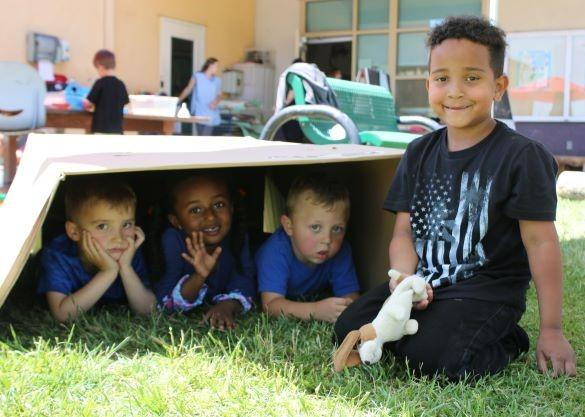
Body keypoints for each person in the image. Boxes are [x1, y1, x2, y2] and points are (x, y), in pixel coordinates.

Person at [334, 15, 576, 380]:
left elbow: (541, 242)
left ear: (499, 86)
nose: (455, 91)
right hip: (425, 286)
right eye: (442, 78)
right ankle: (430, 329)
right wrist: (403, 280)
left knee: (430, 358)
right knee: (349, 326)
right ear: (429, 83)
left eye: (472, 78)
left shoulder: (522, 157)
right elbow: (403, 232)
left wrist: (553, 329)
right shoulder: (417, 153)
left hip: (485, 293)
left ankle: (509, 339)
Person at [37, 178, 156, 322]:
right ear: (74, 232)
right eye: (102, 226)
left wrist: (126, 268)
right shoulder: (58, 255)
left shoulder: (128, 252)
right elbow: (62, 315)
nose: (119, 238)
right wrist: (108, 272)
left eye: (126, 225)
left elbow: (149, 311)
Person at [152, 172, 256, 329]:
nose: (210, 217)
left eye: (219, 205)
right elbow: (166, 305)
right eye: (195, 210)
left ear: (232, 208)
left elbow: (245, 282)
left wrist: (227, 306)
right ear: (176, 221)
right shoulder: (173, 241)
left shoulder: (237, 235)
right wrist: (199, 276)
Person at [256, 173, 360, 322]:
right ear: (289, 226)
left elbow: (350, 295)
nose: (327, 239)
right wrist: (316, 311)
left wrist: (347, 307)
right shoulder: (274, 252)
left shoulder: (341, 250)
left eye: (337, 229)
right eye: (316, 227)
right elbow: (270, 305)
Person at [83, 49, 129, 134]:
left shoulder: (99, 83)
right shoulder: (121, 84)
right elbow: (126, 103)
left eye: (97, 68)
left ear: (100, 66)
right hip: (117, 130)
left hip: (100, 129)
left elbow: (88, 103)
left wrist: (86, 104)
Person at [177, 58, 223, 136]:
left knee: (205, 137)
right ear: (210, 66)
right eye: (216, 66)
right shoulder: (197, 76)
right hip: (199, 111)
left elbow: (219, 95)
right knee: (201, 136)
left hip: (211, 112)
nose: (217, 69)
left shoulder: (217, 80)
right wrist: (177, 101)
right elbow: (188, 89)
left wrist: (215, 102)